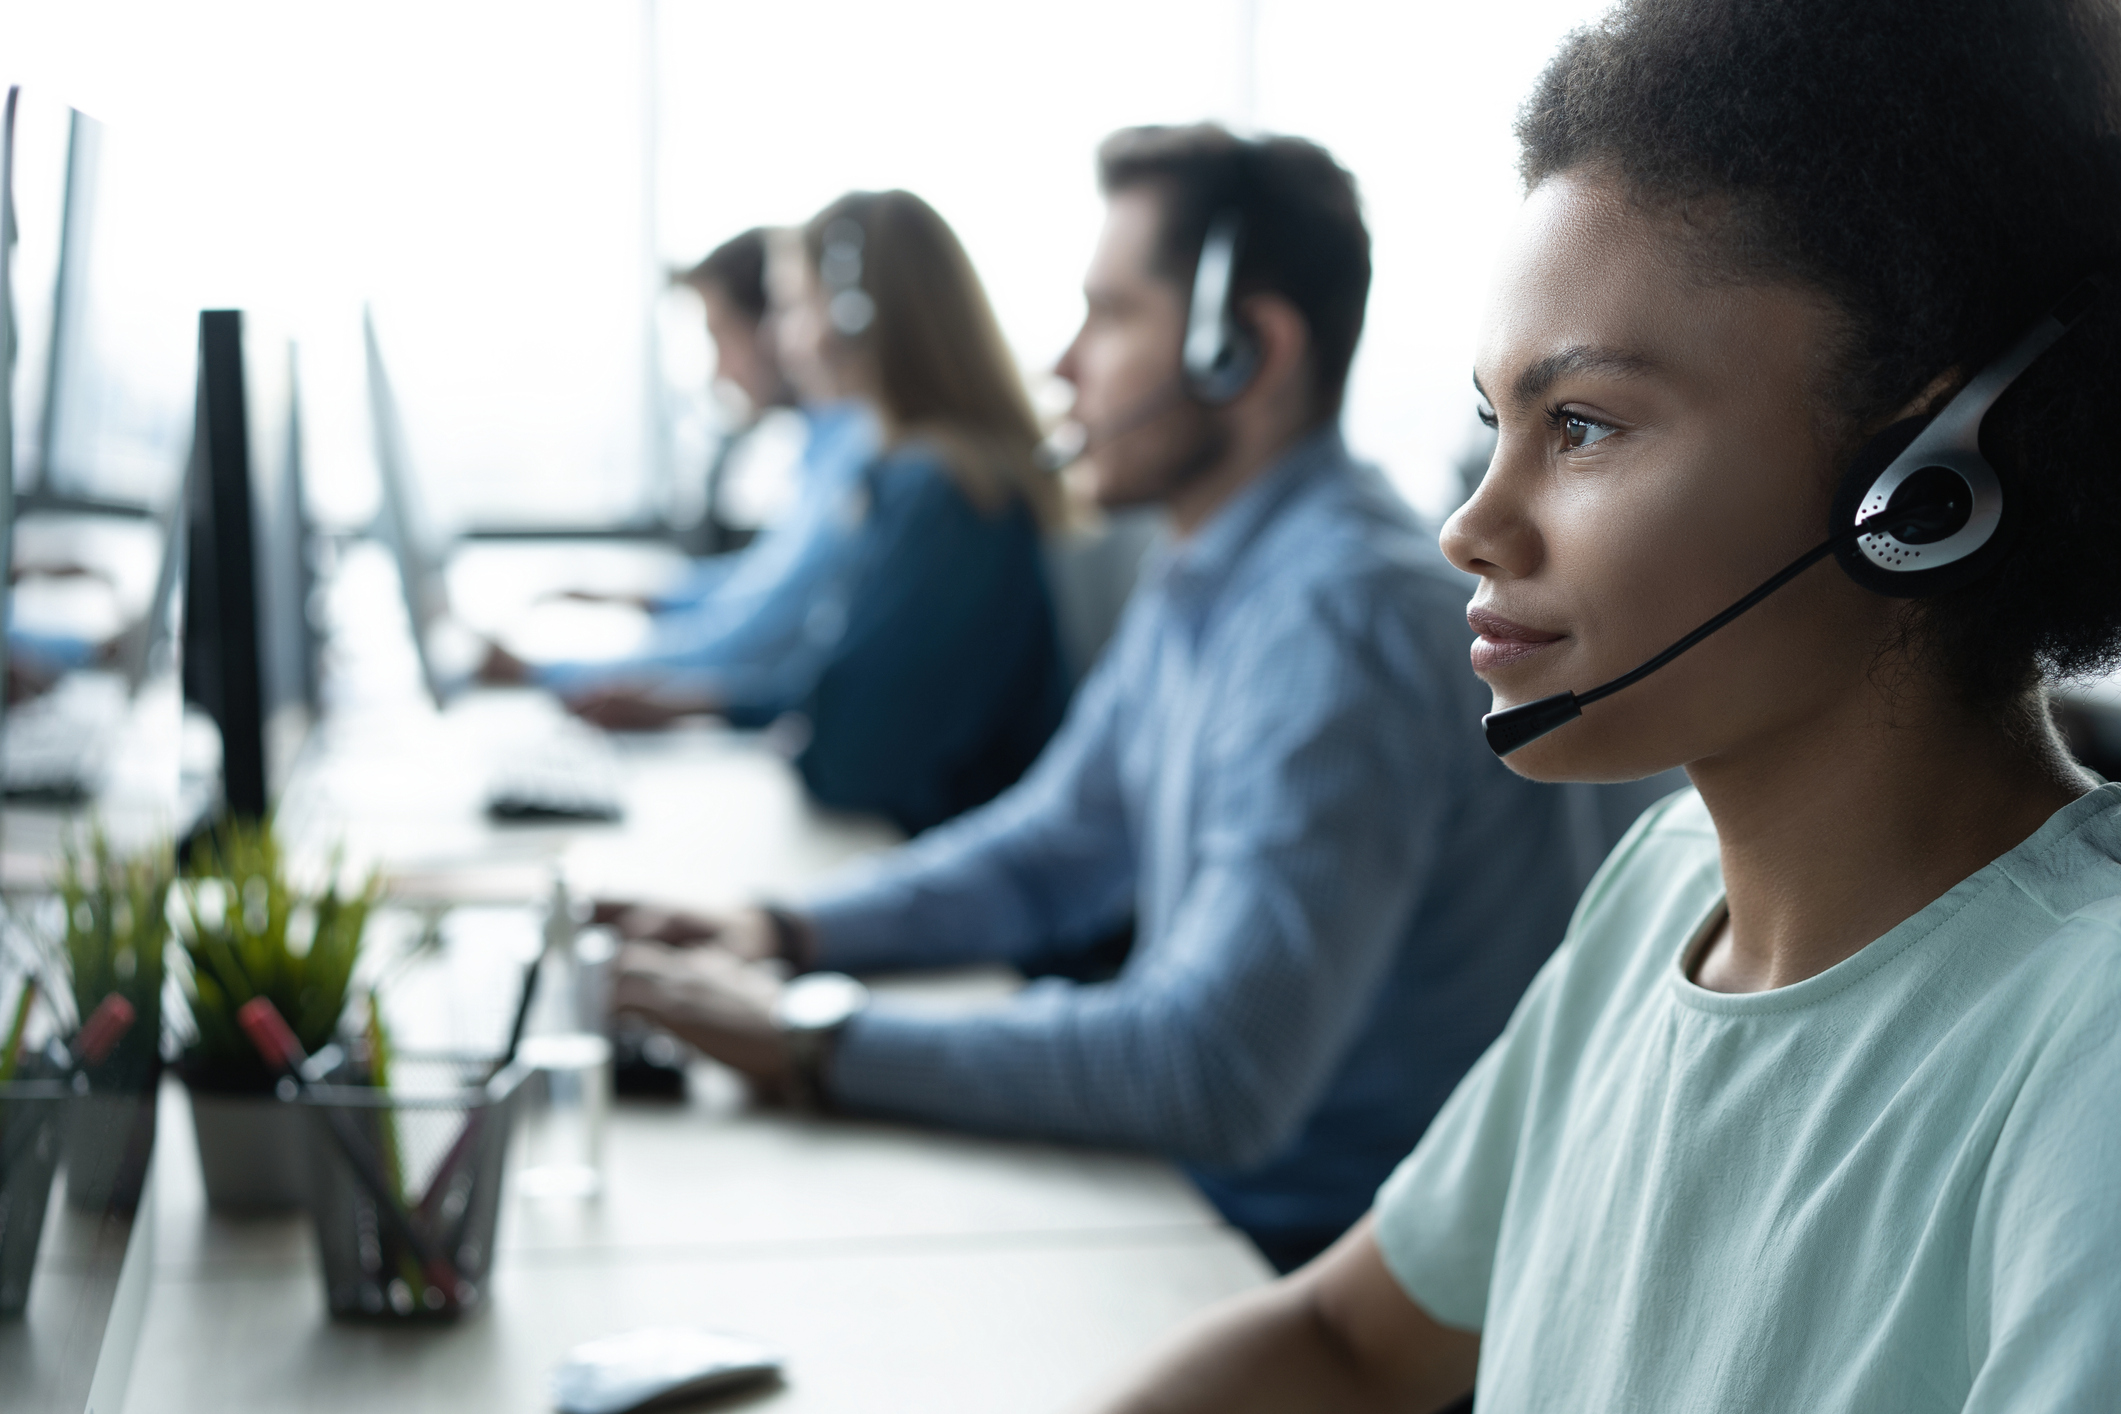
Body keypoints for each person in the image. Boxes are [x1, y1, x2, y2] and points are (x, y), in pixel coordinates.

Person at [1077, 0, 2121, 1409]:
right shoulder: (1664, 887)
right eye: (1494, 422)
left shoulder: (2089, 1044)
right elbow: (1346, 1337)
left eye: (1580, 425)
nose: (1468, 526)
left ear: (1924, 489)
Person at [604, 125, 1606, 1273]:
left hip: (1309, 1267)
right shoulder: (1210, 566)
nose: (1064, 366)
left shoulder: (1337, 620)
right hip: (1209, 1216)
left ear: (1244, 349)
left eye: (1111, 316)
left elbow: (1214, 1068)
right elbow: (1055, 848)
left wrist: (808, 1036)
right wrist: (784, 931)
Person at [501, 195, 1069, 834]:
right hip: (919, 835)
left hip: (933, 845)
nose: (779, 337)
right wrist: (708, 706)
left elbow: (849, 750)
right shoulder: (920, 475)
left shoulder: (940, 492)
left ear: (854, 320)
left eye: (796, 307)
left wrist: (729, 711)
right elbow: (850, 683)